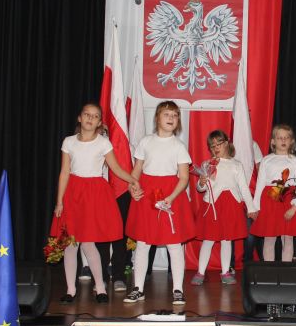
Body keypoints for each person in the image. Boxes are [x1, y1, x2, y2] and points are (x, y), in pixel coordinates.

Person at [51, 103, 139, 304]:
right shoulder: (69, 142)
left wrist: (133, 180)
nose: (90, 118)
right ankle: (70, 290)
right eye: (87, 114)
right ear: (79, 118)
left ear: (100, 122)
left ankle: (100, 288)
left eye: (95, 116)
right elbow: (64, 172)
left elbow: (116, 168)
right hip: (73, 194)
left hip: (94, 194)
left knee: (89, 244)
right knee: (70, 244)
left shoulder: (103, 143)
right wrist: (59, 202)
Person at [124, 101, 194, 305]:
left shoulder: (179, 146)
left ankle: (178, 289)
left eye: (175, 115)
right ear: (157, 118)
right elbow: (137, 170)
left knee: (174, 244)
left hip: (171, 196)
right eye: (167, 114)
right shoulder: (146, 141)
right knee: (143, 243)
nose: (171, 118)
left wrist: (170, 198)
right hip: (147, 195)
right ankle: (138, 288)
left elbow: (184, 177)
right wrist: (133, 187)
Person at [191, 130, 258, 285]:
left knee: (227, 240)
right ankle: (200, 272)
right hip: (212, 205)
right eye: (212, 145)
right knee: (208, 240)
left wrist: (251, 207)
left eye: (218, 144)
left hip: (231, 205)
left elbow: (243, 188)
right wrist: (201, 182)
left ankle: (225, 271)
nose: (216, 148)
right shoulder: (207, 164)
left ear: (227, 143)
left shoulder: (236, 165)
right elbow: (201, 188)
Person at [250, 124, 296, 261]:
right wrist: (255, 207)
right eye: (279, 138)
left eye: (286, 138)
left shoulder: (295, 161)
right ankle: (269, 269)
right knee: (269, 238)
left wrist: (294, 207)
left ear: (291, 141)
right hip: (269, 201)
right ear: (273, 141)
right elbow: (260, 185)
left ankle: (286, 269)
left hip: (289, 200)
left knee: (287, 238)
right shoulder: (266, 160)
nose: (283, 140)